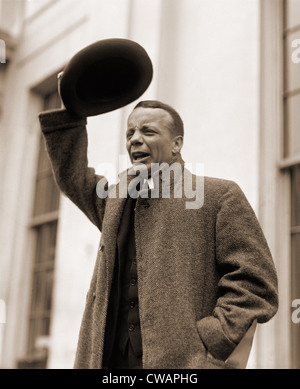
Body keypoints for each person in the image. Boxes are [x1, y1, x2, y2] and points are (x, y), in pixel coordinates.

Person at [38, 90, 278, 369]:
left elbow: (256, 284)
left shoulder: (219, 195)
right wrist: (71, 109)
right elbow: (74, 177)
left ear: (176, 144)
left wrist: (212, 342)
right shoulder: (115, 199)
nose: (135, 139)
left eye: (148, 131)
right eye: (130, 133)